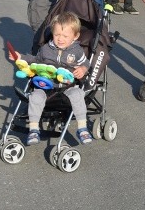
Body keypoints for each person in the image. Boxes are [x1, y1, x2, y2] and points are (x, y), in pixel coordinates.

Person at [8, 12, 93, 146]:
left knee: (78, 94)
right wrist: (20, 57)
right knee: (35, 97)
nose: (60, 39)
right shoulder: (46, 49)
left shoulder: (77, 51)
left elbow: (86, 63)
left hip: (67, 87)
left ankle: (82, 127)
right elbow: (35, 60)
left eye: (65, 36)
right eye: (57, 34)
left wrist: (82, 69)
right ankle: (34, 129)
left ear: (75, 36)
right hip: (45, 86)